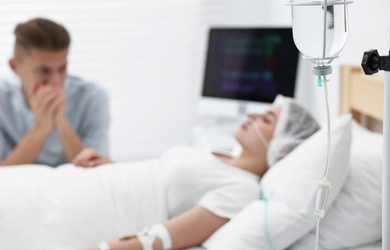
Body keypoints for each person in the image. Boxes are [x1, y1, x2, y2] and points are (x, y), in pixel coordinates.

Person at [76, 95, 320, 250]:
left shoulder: (242, 189)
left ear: (283, 147)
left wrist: (104, 249)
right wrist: (114, 168)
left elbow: (160, 239)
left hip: (102, 211)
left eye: (266, 120)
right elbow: (162, 177)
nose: (251, 115)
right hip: (98, 181)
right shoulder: (220, 152)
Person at [0, 17, 110, 167]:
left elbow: (97, 168)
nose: (56, 81)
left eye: (62, 69)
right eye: (43, 71)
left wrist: (61, 122)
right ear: (15, 67)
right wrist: (41, 128)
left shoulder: (92, 98)